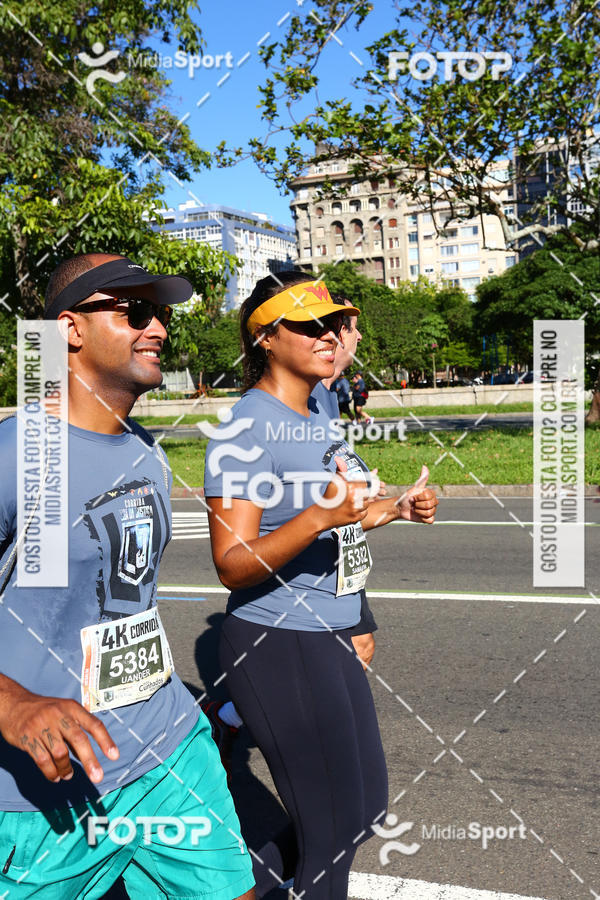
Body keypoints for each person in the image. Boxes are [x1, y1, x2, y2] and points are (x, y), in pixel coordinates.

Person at [0, 254, 254, 900]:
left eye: (161, 314)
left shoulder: (146, 450)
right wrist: (13, 703)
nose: (158, 329)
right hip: (42, 791)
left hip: (168, 750)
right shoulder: (15, 455)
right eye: (136, 311)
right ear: (70, 329)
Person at [204, 270, 438, 899]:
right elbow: (231, 562)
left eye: (335, 323)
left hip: (329, 634)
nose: (331, 335)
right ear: (266, 338)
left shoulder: (317, 411)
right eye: (311, 325)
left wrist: (394, 508)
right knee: (331, 837)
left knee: (361, 812)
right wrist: (319, 517)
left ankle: (236, 891)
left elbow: (341, 516)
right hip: (277, 642)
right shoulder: (245, 429)